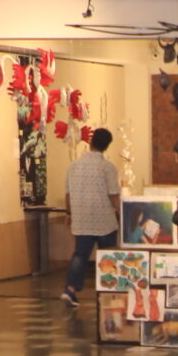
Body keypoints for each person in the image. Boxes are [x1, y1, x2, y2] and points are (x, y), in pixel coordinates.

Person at [60, 128, 121, 305]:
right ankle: (108, 293)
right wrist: (121, 212)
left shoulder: (74, 166)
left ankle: (70, 290)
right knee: (108, 256)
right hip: (104, 219)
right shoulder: (107, 167)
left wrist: (69, 213)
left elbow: (68, 194)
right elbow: (113, 195)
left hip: (82, 219)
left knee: (80, 255)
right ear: (107, 146)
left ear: (91, 142)